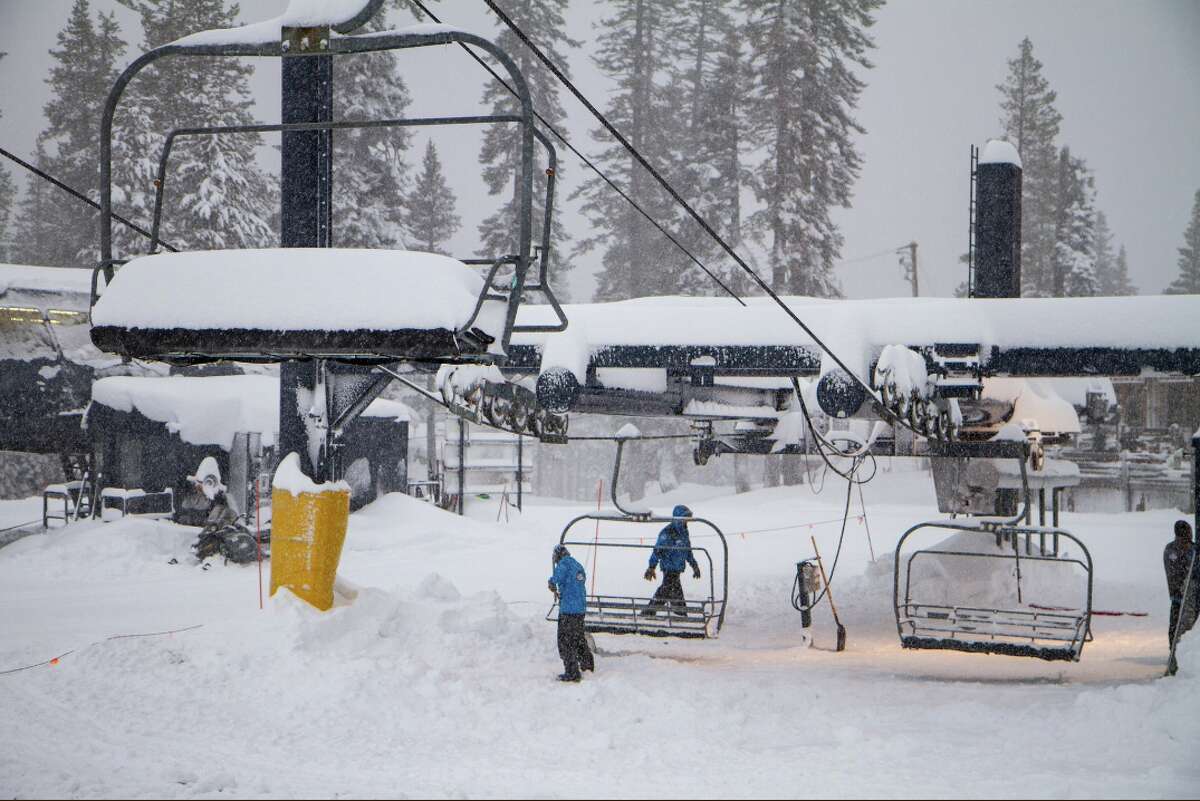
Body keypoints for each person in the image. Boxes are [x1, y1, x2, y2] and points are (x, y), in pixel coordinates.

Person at [642, 504, 701, 618]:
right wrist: (651, 567)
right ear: (678, 518)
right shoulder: (668, 532)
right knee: (668, 590)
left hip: (677, 568)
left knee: (670, 591)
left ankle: (678, 613)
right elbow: (657, 550)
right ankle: (675, 613)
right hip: (669, 567)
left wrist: (694, 565)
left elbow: (687, 551)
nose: (686, 522)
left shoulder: (684, 532)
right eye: (685, 519)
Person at [548, 544, 593, 682]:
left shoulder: (563, 564)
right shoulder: (577, 565)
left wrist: (551, 582)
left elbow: (556, 577)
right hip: (579, 609)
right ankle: (587, 664)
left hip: (568, 610)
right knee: (578, 638)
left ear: (557, 556)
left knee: (565, 642)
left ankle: (572, 672)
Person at [1165, 519, 1198, 644]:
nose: (1188, 540)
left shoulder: (1194, 549)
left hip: (1192, 597)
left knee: (1190, 624)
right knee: (1175, 622)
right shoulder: (1171, 550)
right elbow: (1173, 573)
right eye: (1185, 538)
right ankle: (1173, 648)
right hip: (1178, 595)